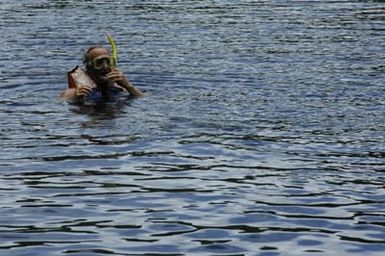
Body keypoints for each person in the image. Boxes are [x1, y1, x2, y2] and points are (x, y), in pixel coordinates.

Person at [61, 46, 144, 104]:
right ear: (88, 67)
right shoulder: (73, 92)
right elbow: (62, 103)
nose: (104, 67)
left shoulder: (122, 88)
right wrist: (76, 98)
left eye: (108, 62)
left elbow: (143, 98)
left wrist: (129, 86)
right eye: (99, 63)